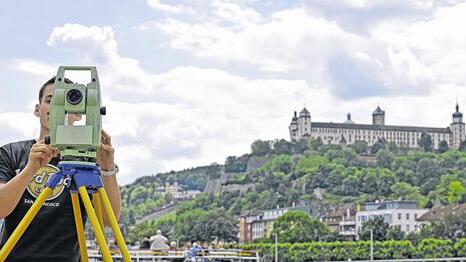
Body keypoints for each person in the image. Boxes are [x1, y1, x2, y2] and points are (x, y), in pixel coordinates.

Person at [0, 76, 122, 261]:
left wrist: (107, 167)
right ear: (37, 108)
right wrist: (30, 169)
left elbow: (107, 220)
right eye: (51, 100)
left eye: (68, 100)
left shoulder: (87, 161)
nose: (58, 107)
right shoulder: (11, 153)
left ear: (79, 112)